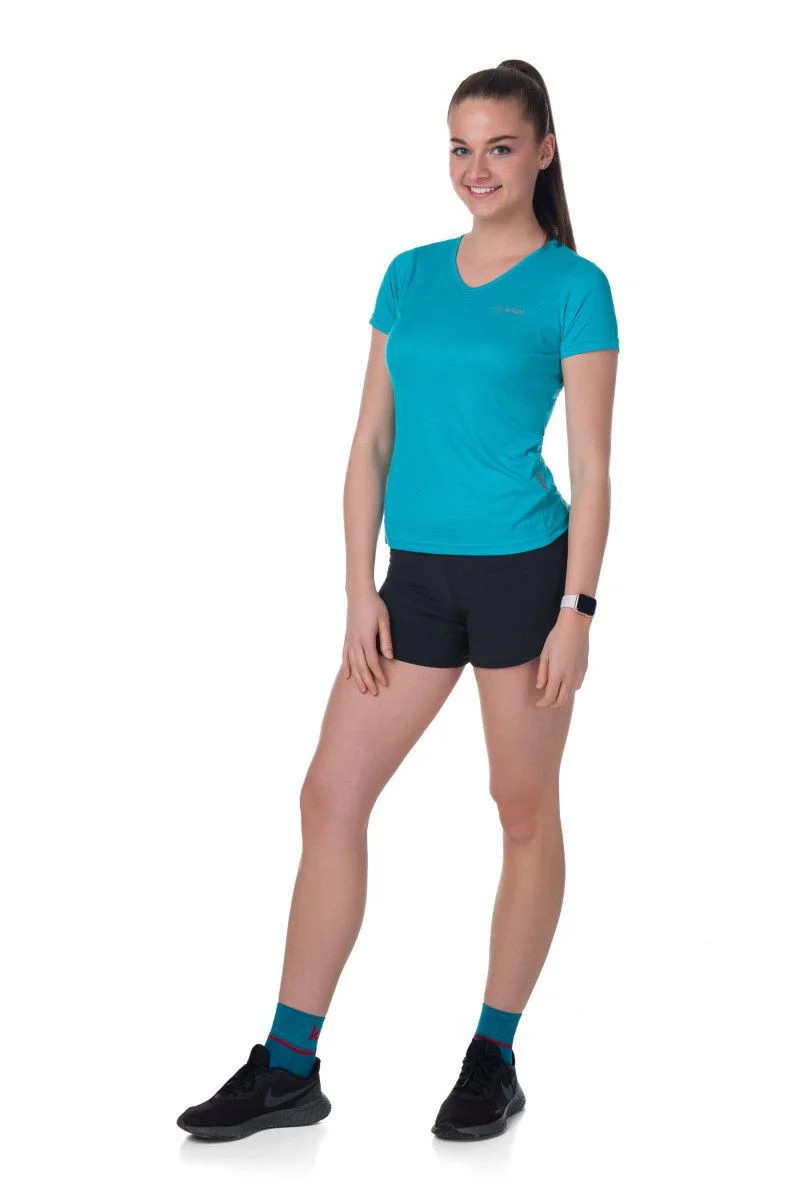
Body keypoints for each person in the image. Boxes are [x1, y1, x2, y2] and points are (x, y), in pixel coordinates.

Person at [176, 57, 619, 1144]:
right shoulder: (409, 275)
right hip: (412, 581)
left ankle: (491, 1056)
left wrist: (577, 609)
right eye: (460, 148)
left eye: (499, 147)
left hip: (523, 576)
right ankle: (288, 1067)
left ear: (543, 152)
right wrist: (355, 592)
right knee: (329, 795)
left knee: (520, 810)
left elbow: (593, 465)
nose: (477, 168)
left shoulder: (575, 287)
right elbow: (369, 441)